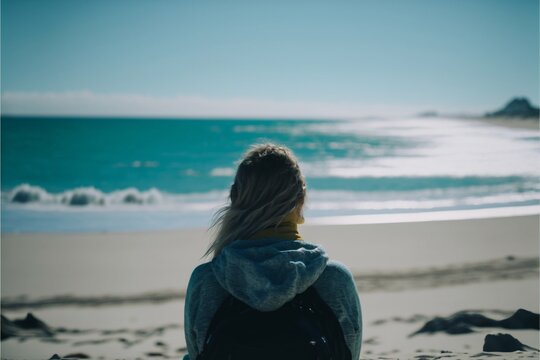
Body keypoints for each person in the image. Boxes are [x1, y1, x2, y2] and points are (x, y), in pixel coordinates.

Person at [183, 143, 362, 359]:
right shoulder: (333, 278)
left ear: (233, 198)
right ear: (300, 200)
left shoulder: (208, 280)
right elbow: (350, 355)